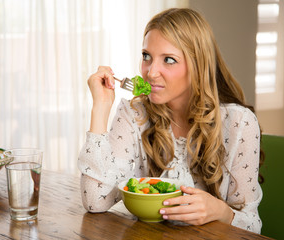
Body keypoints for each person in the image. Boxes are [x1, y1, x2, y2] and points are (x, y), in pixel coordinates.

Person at [78, 8, 264, 234]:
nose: (151, 72)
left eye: (168, 60)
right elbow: (95, 201)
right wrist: (100, 107)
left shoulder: (239, 123)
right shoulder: (134, 113)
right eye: (147, 56)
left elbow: (253, 226)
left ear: (198, 65)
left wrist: (221, 212)